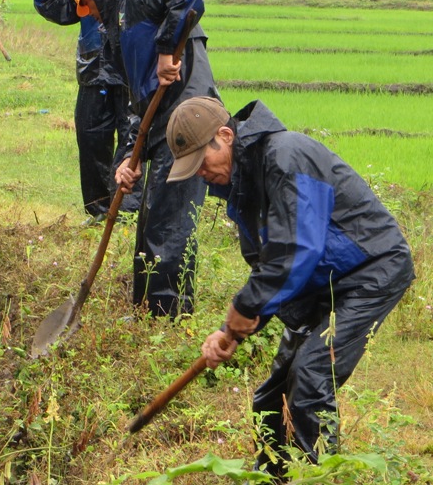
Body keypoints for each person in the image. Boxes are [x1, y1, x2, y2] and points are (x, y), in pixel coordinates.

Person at [165, 96, 414, 477]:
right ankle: (271, 477)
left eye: (201, 161)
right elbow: (271, 268)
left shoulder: (285, 156)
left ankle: (319, 477)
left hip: (370, 270)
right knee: (270, 399)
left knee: (312, 377)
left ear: (226, 135)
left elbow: (297, 249)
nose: (199, 173)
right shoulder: (243, 185)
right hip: (320, 281)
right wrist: (229, 331)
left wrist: (245, 308)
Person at [32, 0, 220, 317]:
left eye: (87, 5)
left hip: (191, 118)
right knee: (150, 218)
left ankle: (168, 315)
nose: (90, 14)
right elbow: (138, 105)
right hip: (165, 124)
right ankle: (146, 307)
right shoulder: (115, 36)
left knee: (170, 220)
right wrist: (126, 159)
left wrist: (167, 52)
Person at [27, 0, 162, 220]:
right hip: (93, 65)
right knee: (90, 140)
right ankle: (99, 210)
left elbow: (160, 10)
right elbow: (65, 11)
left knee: (133, 139)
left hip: (132, 67)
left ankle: (128, 211)